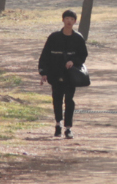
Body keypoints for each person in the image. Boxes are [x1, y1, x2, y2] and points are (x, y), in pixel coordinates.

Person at [37, 9, 88, 138]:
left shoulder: (78, 38)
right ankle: (58, 124)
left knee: (69, 100)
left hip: (70, 75)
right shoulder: (54, 37)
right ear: (63, 20)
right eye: (67, 19)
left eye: (72, 19)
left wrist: (73, 61)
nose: (69, 21)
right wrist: (43, 72)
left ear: (75, 21)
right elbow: (45, 56)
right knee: (57, 99)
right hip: (55, 73)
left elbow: (83, 55)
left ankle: (68, 128)